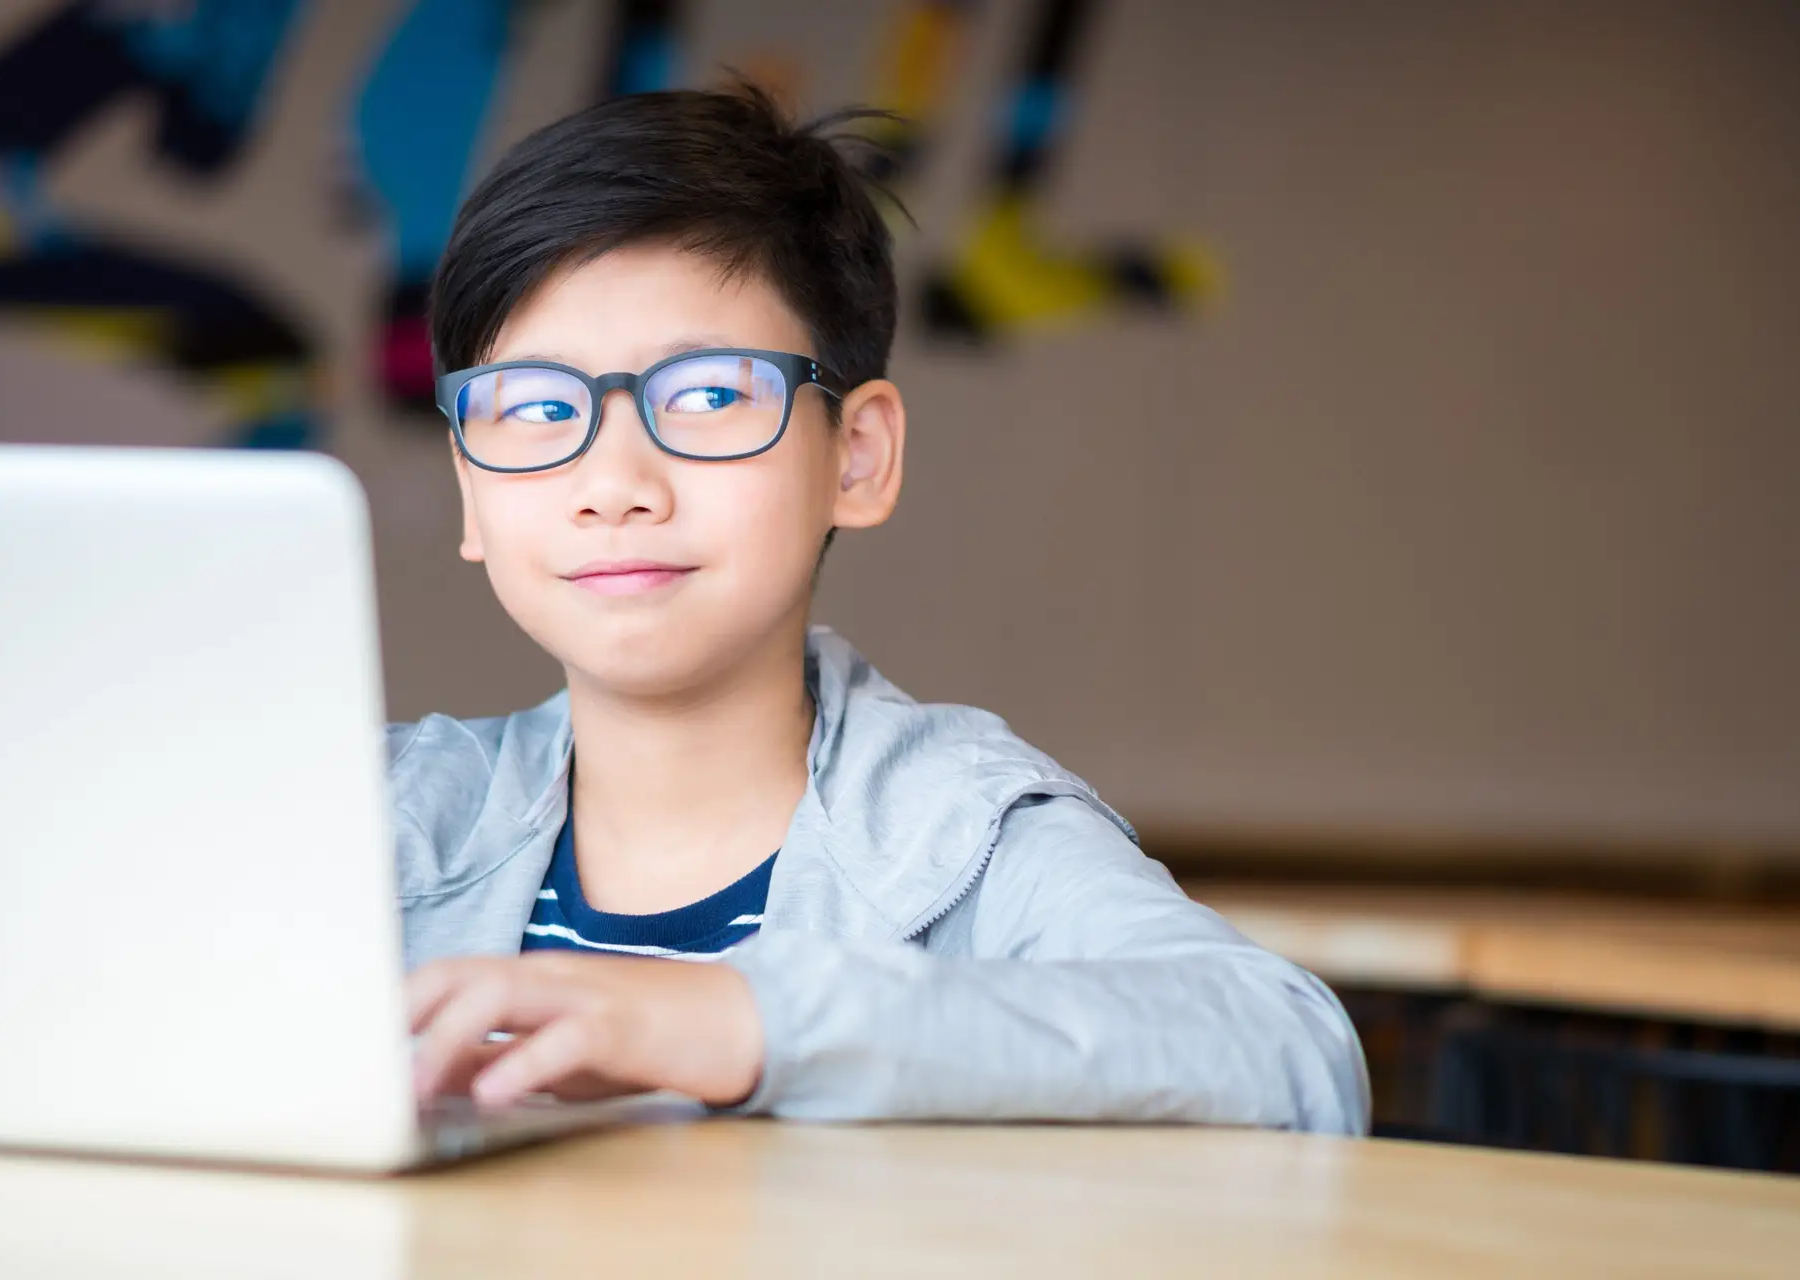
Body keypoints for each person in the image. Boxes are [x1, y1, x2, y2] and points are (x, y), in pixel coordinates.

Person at [397, 84, 1368, 1132]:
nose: (616, 481)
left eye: (710, 394)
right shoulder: (374, 817)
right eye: (538, 409)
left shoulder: (965, 831)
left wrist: (749, 1020)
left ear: (858, 456)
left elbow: (1289, 1053)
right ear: (471, 492)